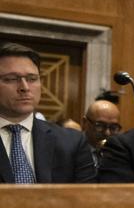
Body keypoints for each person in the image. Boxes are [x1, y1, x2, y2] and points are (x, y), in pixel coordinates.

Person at [0, 42, 96, 183]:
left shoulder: (72, 142)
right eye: (11, 79)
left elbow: (87, 195)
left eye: (32, 79)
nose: (25, 87)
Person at [82, 97, 122, 170]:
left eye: (113, 127)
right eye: (100, 125)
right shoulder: (71, 151)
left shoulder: (118, 152)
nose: (107, 133)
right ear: (85, 123)